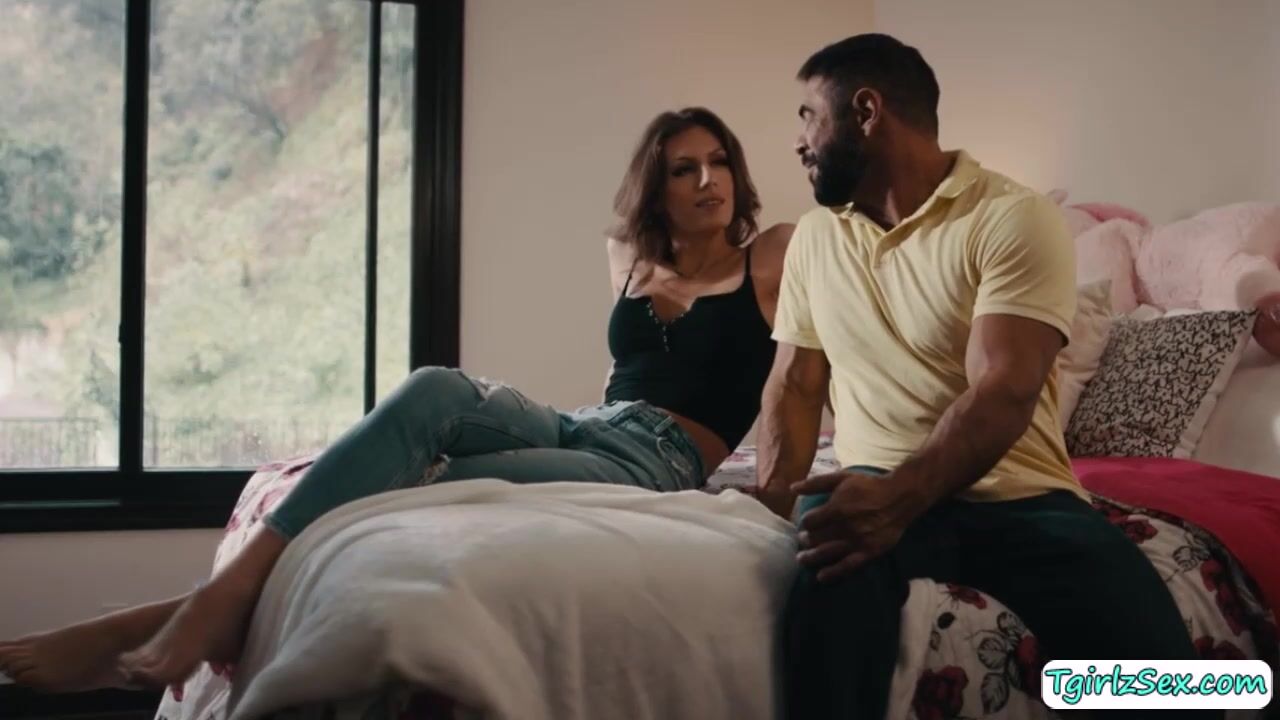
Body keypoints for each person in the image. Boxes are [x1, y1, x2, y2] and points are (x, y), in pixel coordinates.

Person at [0, 106, 794, 697]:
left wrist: (781, 482)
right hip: (583, 422)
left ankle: (170, 615)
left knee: (420, 489)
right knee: (434, 389)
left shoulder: (772, 255)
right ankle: (213, 605)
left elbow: (805, 375)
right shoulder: (627, 258)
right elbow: (627, 369)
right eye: (684, 169)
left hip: (657, 458)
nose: (708, 181)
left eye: (718, 162)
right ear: (656, 189)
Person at [753, 34, 1210, 719]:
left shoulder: (1012, 217)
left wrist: (898, 502)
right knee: (830, 584)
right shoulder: (816, 238)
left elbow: (1003, 387)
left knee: (1169, 678)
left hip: (1020, 499)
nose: (799, 141)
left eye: (808, 116)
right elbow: (794, 384)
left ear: (866, 111)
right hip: (870, 478)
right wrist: (768, 510)